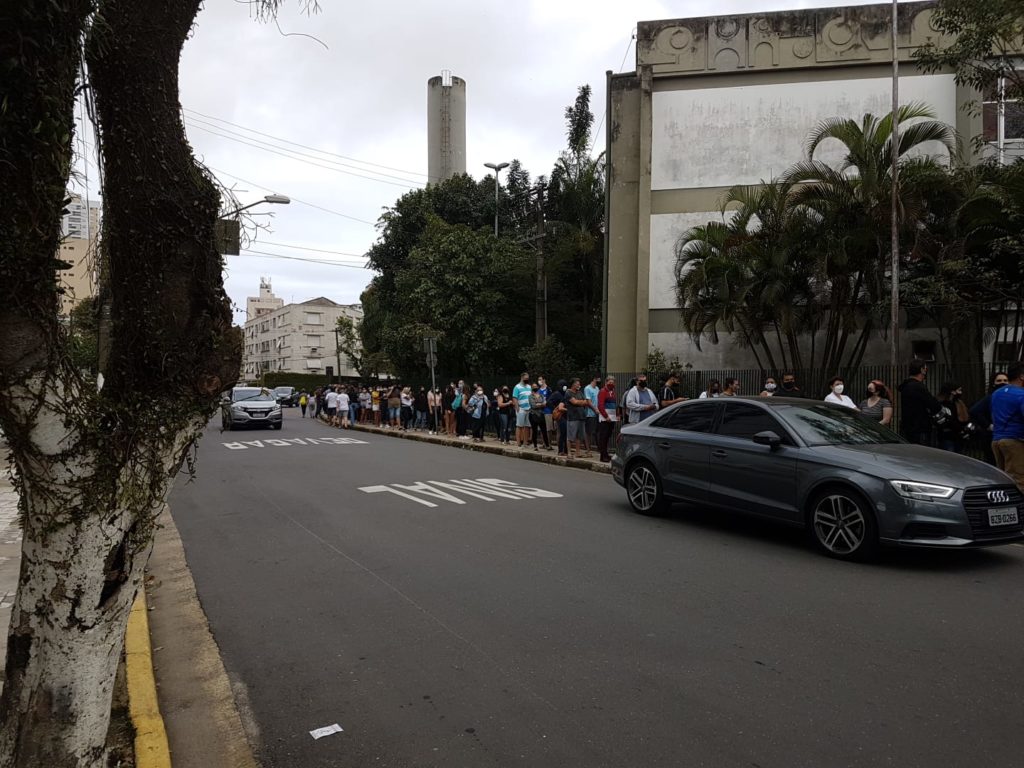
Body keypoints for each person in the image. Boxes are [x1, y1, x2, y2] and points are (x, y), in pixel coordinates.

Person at [991, 361, 1024, 492]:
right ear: (1022, 376)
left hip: (997, 440)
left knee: (1003, 480)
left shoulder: (996, 394)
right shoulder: (1021, 394)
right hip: (1014, 441)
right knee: (1019, 480)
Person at [969, 371, 1009, 464]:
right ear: (993, 383)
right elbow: (974, 411)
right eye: (999, 381)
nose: (1002, 383)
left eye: (1005, 380)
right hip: (991, 437)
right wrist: (988, 426)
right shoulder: (990, 398)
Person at [898, 359, 941, 445]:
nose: (926, 370)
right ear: (921, 370)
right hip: (920, 429)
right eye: (925, 368)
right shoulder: (918, 387)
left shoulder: (906, 386)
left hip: (907, 428)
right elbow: (934, 406)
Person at [935, 382, 970, 453]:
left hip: (958, 437)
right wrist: (961, 429)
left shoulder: (958, 403)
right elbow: (948, 421)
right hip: (947, 437)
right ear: (952, 391)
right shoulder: (942, 404)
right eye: (959, 390)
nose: (960, 392)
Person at [564, 378, 590, 458]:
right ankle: (569, 453)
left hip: (581, 416)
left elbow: (587, 402)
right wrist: (581, 402)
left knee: (579, 436)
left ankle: (577, 452)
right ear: (573, 384)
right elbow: (574, 402)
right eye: (577, 384)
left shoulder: (580, 392)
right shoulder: (568, 393)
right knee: (571, 436)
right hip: (573, 417)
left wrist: (580, 402)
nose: (579, 385)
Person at [596, 376, 618, 462]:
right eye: (610, 383)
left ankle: (605, 454)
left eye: (613, 383)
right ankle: (603, 456)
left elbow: (614, 405)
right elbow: (600, 405)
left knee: (607, 436)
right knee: (603, 437)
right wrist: (606, 416)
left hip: (611, 417)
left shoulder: (612, 392)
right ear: (606, 382)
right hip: (605, 418)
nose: (611, 384)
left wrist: (616, 415)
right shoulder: (603, 392)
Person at [548, 380, 569, 455]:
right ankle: (561, 450)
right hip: (560, 416)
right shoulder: (556, 394)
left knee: (566, 434)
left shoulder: (566, 393)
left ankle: (566, 450)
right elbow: (549, 402)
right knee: (562, 433)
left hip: (566, 415)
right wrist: (555, 409)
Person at [528, 383, 551, 451]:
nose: (535, 387)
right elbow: (533, 406)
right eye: (533, 387)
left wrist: (538, 404)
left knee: (544, 430)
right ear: (531, 388)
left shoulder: (541, 395)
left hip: (541, 414)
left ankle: (547, 445)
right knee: (534, 431)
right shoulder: (530, 396)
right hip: (533, 415)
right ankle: (535, 446)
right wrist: (541, 404)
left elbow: (545, 404)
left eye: (536, 386)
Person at [513, 372, 533, 448]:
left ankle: (525, 442)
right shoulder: (517, 387)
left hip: (528, 408)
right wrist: (517, 407)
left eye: (528, 379)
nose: (527, 380)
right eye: (526, 378)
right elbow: (515, 397)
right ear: (522, 378)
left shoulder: (529, 387)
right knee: (519, 426)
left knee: (527, 426)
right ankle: (518, 443)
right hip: (521, 409)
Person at [584, 376, 602, 450]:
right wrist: (595, 409)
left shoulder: (597, 388)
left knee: (596, 431)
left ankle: (598, 447)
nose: (599, 381)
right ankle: (588, 448)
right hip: (590, 413)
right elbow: (588, 401)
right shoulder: (587, 388)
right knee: (589, 432)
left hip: (597, 413)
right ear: (594, 379)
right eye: (598, 379)